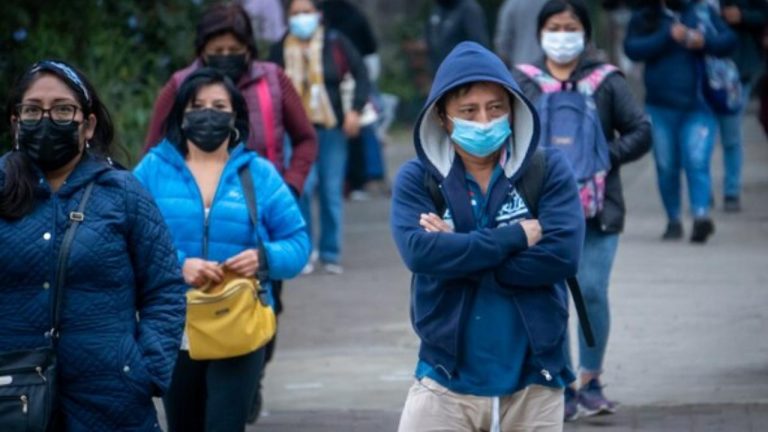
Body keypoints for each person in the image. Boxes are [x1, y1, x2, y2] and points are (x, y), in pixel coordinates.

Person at [390, 41, 585, 432]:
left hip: (535, 379)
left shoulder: (548, 169)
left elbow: (561, 256)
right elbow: (420, 254)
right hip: (444, 379)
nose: (484, 120)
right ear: (442, 118)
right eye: (469, 111)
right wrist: (514, 237)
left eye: (496, 108)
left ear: (513, 109)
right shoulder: (417, 179)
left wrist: (458, 248)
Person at [0, 60, 186, 430]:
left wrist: (145, 369)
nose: (47, 119)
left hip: (112, 400)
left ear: (88, 124)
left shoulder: (123, 192)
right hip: (13, 399)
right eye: (33, 110)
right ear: (16, 122)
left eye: (62, 109)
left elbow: (165, 289)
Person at [133, 68, 310, 432]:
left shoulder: (258, 173)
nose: (207, 115)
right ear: (181, 114)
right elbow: (126, 241)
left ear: (235, 116)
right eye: (197, 106)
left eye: (218, 106)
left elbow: (298, 243)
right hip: (173, 323)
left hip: (239, 320)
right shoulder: (152, 170)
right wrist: (178, 266)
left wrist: (264, 258)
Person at [512, 0, 652, 421]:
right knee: (551, 297)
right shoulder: (523, 82)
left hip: (598, 210)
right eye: (553, 27)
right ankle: (562, 384)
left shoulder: (606, 81)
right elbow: (506, 134)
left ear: (585, 34)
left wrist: (604, 156)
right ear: (540, 33)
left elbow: (641, 130)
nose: (562, 36)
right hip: (540, 213)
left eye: (570, 27)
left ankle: (591, 380)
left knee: (591, 291)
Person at [143, 3, 317, 200]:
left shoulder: (273, 80)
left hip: (265, 202)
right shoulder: (180, 85)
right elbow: (153, 152)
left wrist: (291, 186)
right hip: (196, 205)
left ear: (248, 49)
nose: (226, 55)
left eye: (234, 50)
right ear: (203, 51)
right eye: (218, 50)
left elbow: (306, 139)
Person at [270, 0, 371, 275]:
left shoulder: (336, 42)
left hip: (331, 128)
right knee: (301, 188)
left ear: (318, 15)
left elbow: (361, 74)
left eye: (306, 12)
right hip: (294, 131)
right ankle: (303, 250)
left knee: (330, 189)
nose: (301, 18)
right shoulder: (280, 48)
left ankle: (330, 252)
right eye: (295, 13)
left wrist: (355, 110)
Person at [624, 0, 736, 243]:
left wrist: (703, 41)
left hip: (699, 105)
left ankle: (700, 216)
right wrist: (667, 35)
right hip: (659, 107)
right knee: (666, 166)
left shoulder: (702, 11)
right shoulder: (647, 15)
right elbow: (632, 49)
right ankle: (673, 219)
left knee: (696, 161)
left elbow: (729, 41)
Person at [714, 0, 768, 212]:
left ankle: (731, 191)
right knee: (702, 139)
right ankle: (702, 192)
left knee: (731, 134)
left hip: (739, 69)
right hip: (702, 71)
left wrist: (742, 15)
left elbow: (763, 14)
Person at [426, 0, 491, 71]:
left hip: (462, 72)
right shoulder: (437, 9)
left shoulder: (469, 9)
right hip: (439, 72)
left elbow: (480, 48)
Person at [495, 0, 549, 66]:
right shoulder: (554, 3)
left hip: (520, 63)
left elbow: (503, 42)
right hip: (550, 65)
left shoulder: (512, 4)